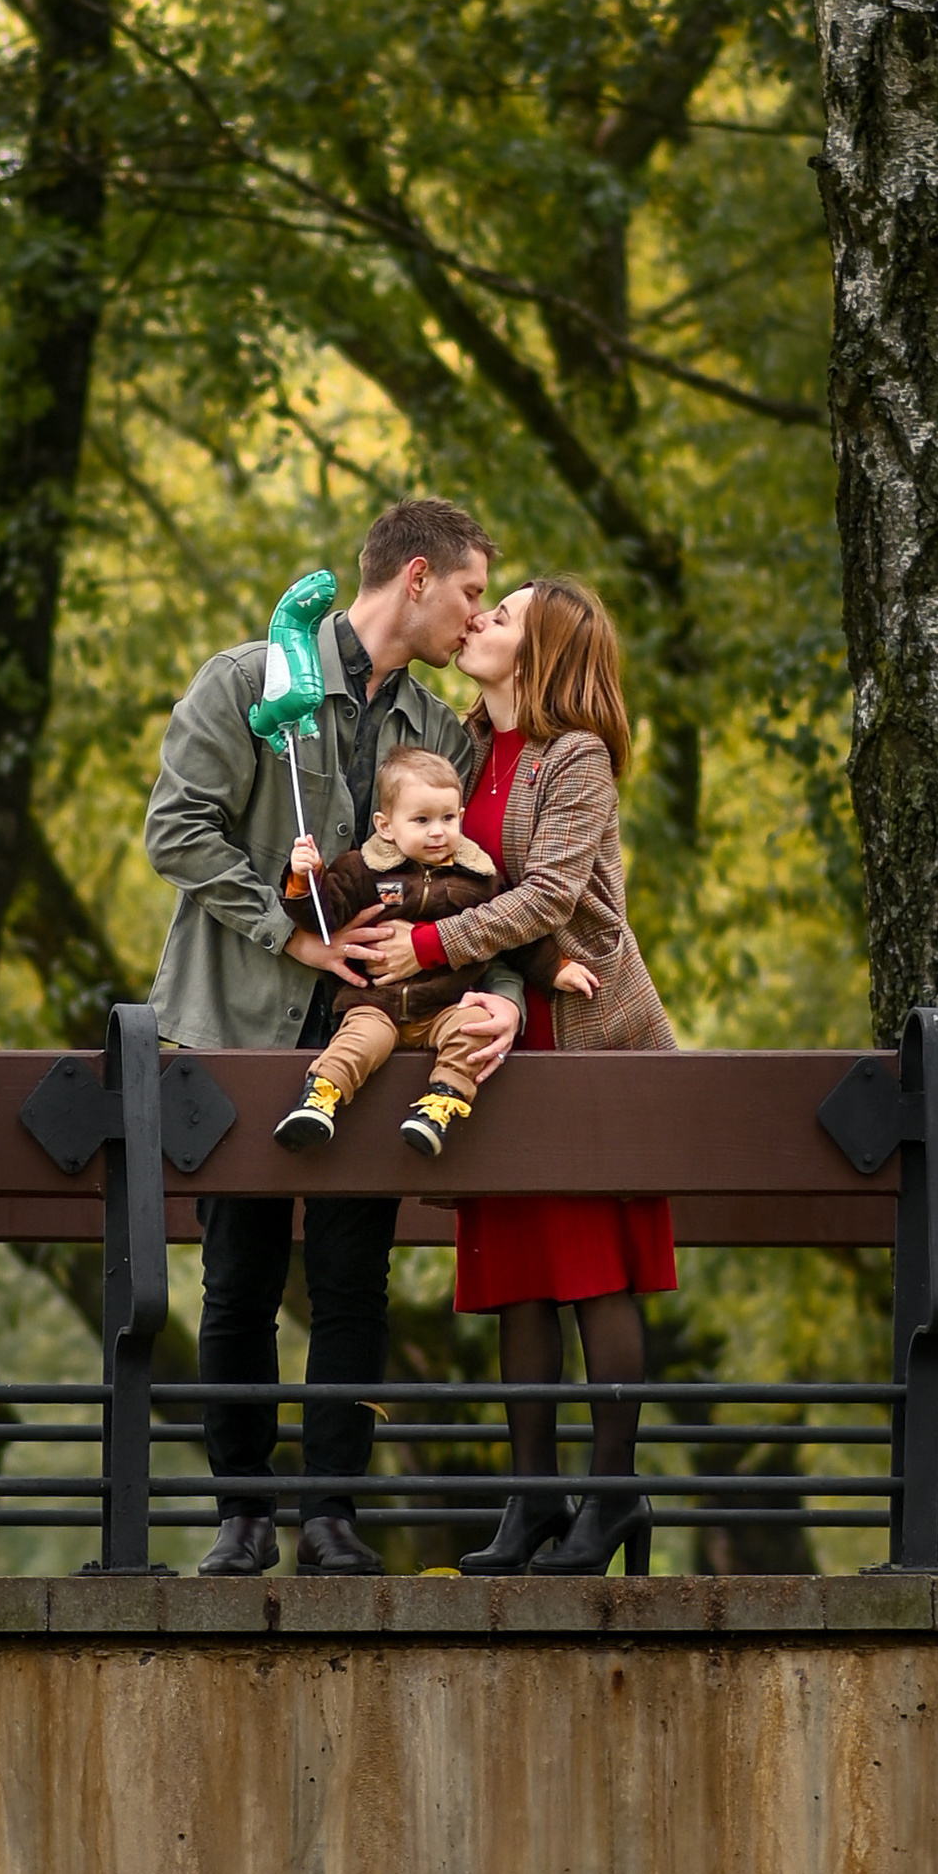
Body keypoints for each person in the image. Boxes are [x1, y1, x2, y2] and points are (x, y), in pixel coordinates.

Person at [145, 500, 523, 1579]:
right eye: (465, 593)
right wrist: (287, 933)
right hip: (242, 1023)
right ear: (415, 576)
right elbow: (174, 827)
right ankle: (241, 1517)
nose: (471, 616)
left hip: (388, 1041)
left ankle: (331, 1517)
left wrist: (494, 988)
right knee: (238, 1279)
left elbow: (477, 876)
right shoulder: (248, 681)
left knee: (358, 1284)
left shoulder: (440, 730)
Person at [358, 574, 676, 1578]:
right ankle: (532, 1497)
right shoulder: (460, 752)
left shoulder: (571, 758)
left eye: (504, 614)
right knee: (517, 1280)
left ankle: (614, 1491)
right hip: (484, 1047)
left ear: (540, 655)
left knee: (592, 1272)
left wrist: (430, 940)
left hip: (578, 1042)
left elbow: (550, 894)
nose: (481, 619)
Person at [273, 747, 598, 1160]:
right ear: (386, 826)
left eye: (448, 818)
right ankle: (320, 1098)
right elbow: (324, 916)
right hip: (377, 1002)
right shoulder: (361, 870)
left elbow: (513, 936)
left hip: (444, 1003)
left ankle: (440, 1103)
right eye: (421, 820)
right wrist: (305, 880)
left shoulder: (476, 879)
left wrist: (556, 968)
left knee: (474, 1027)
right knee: (360, 1040)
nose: (438, 832)